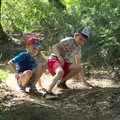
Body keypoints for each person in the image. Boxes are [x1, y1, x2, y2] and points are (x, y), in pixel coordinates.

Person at [43, 27, 93, 98]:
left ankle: (61, 83)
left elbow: (78, 63)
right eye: (80, 39)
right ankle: (48, 92)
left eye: (83, 41)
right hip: (54, 60)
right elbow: (55, 47)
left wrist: (83, 81)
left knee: (78, 67)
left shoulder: (78, 48)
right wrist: (59, 57)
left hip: (64, 64)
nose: (81, 42)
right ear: (76, 35)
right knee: (60, 71)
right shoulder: (69, 40)